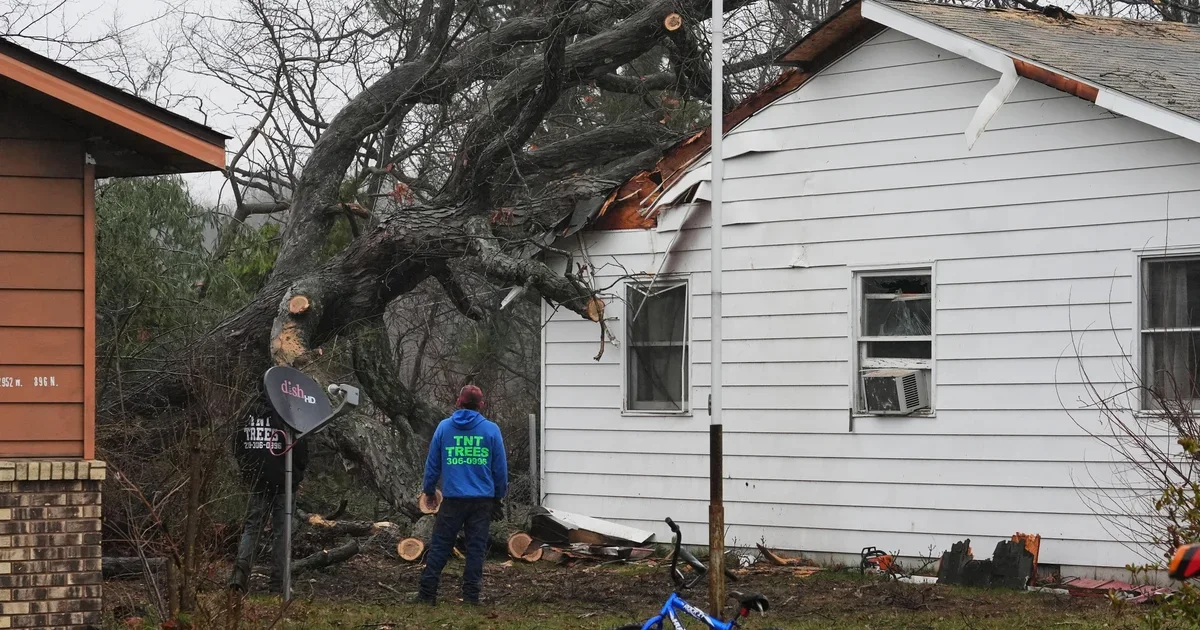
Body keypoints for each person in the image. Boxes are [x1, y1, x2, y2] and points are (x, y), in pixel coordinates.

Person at [416, 385, 508, 605]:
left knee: (440, 545)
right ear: (481, 405)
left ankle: (427, 594)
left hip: (453, 500)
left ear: (458, 402)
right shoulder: (491, 430)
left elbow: (432, 464)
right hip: (481, 501)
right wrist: (498, 497)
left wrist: (429, 491)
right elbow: (500, 470)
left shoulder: (444, 428)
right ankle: (471, 597)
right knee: (476, 549)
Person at [228, 391, 308, 594]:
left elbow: (238, 446)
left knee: (252, 529)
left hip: (257, 481)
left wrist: (248, 473)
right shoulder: (287, 414)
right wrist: (297, 473)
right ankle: (278, 585)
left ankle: (239, 578)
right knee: (283, 533)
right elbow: (301, 449)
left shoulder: (246, 415)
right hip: (284, 480)